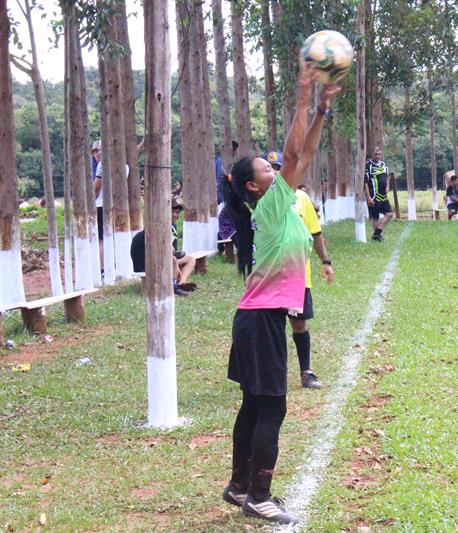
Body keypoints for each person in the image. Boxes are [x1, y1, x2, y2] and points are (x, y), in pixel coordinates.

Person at [220, 63, 339, 524]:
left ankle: (238, 485)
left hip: (257, 318)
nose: (278, 169)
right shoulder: (269, 207)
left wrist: (322, 111)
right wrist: (304, 96)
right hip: (262, 319)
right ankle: (259, 495)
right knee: (273, 406)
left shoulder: (286, 203)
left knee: (255, 403)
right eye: (267, 169)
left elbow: (301, 156)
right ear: (255, 186)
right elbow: (293, 155)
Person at [265, 150, 334, 390]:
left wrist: (325, 261)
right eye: (270, 167)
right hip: (269, 277)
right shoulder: (262, 200)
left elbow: (315, 233)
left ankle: (306, 371)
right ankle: (272, 374)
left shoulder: (301, 198)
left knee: (299, 323)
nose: (275, 172)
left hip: (297, 277)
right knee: (271, 327)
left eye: (278, 167)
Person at [129, 200, 197, 296]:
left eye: (177, 212)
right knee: (173, 260)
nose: (175, 215)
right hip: (146, 263)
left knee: (190, 259)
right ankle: (173, 287)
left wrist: (176, 261)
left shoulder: (173, 227)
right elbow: (161, 251)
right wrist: (175, 264)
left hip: (161, 259)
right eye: (172, 212)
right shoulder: (157, 226)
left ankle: (180, 283)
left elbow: (173, 251)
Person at [364, 147, 393, 241]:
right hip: (374, 195)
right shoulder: (368, 166)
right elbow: (365, 183)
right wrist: (368, 197)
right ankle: (377, 236)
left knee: (389, 214)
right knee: (375, 217)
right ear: (372, 155)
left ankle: (377, 233)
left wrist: (388, 186)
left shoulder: (384, 164)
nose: (378, 156)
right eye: (376, 154)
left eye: (379, 154)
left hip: (383, 195)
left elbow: (388, 176)